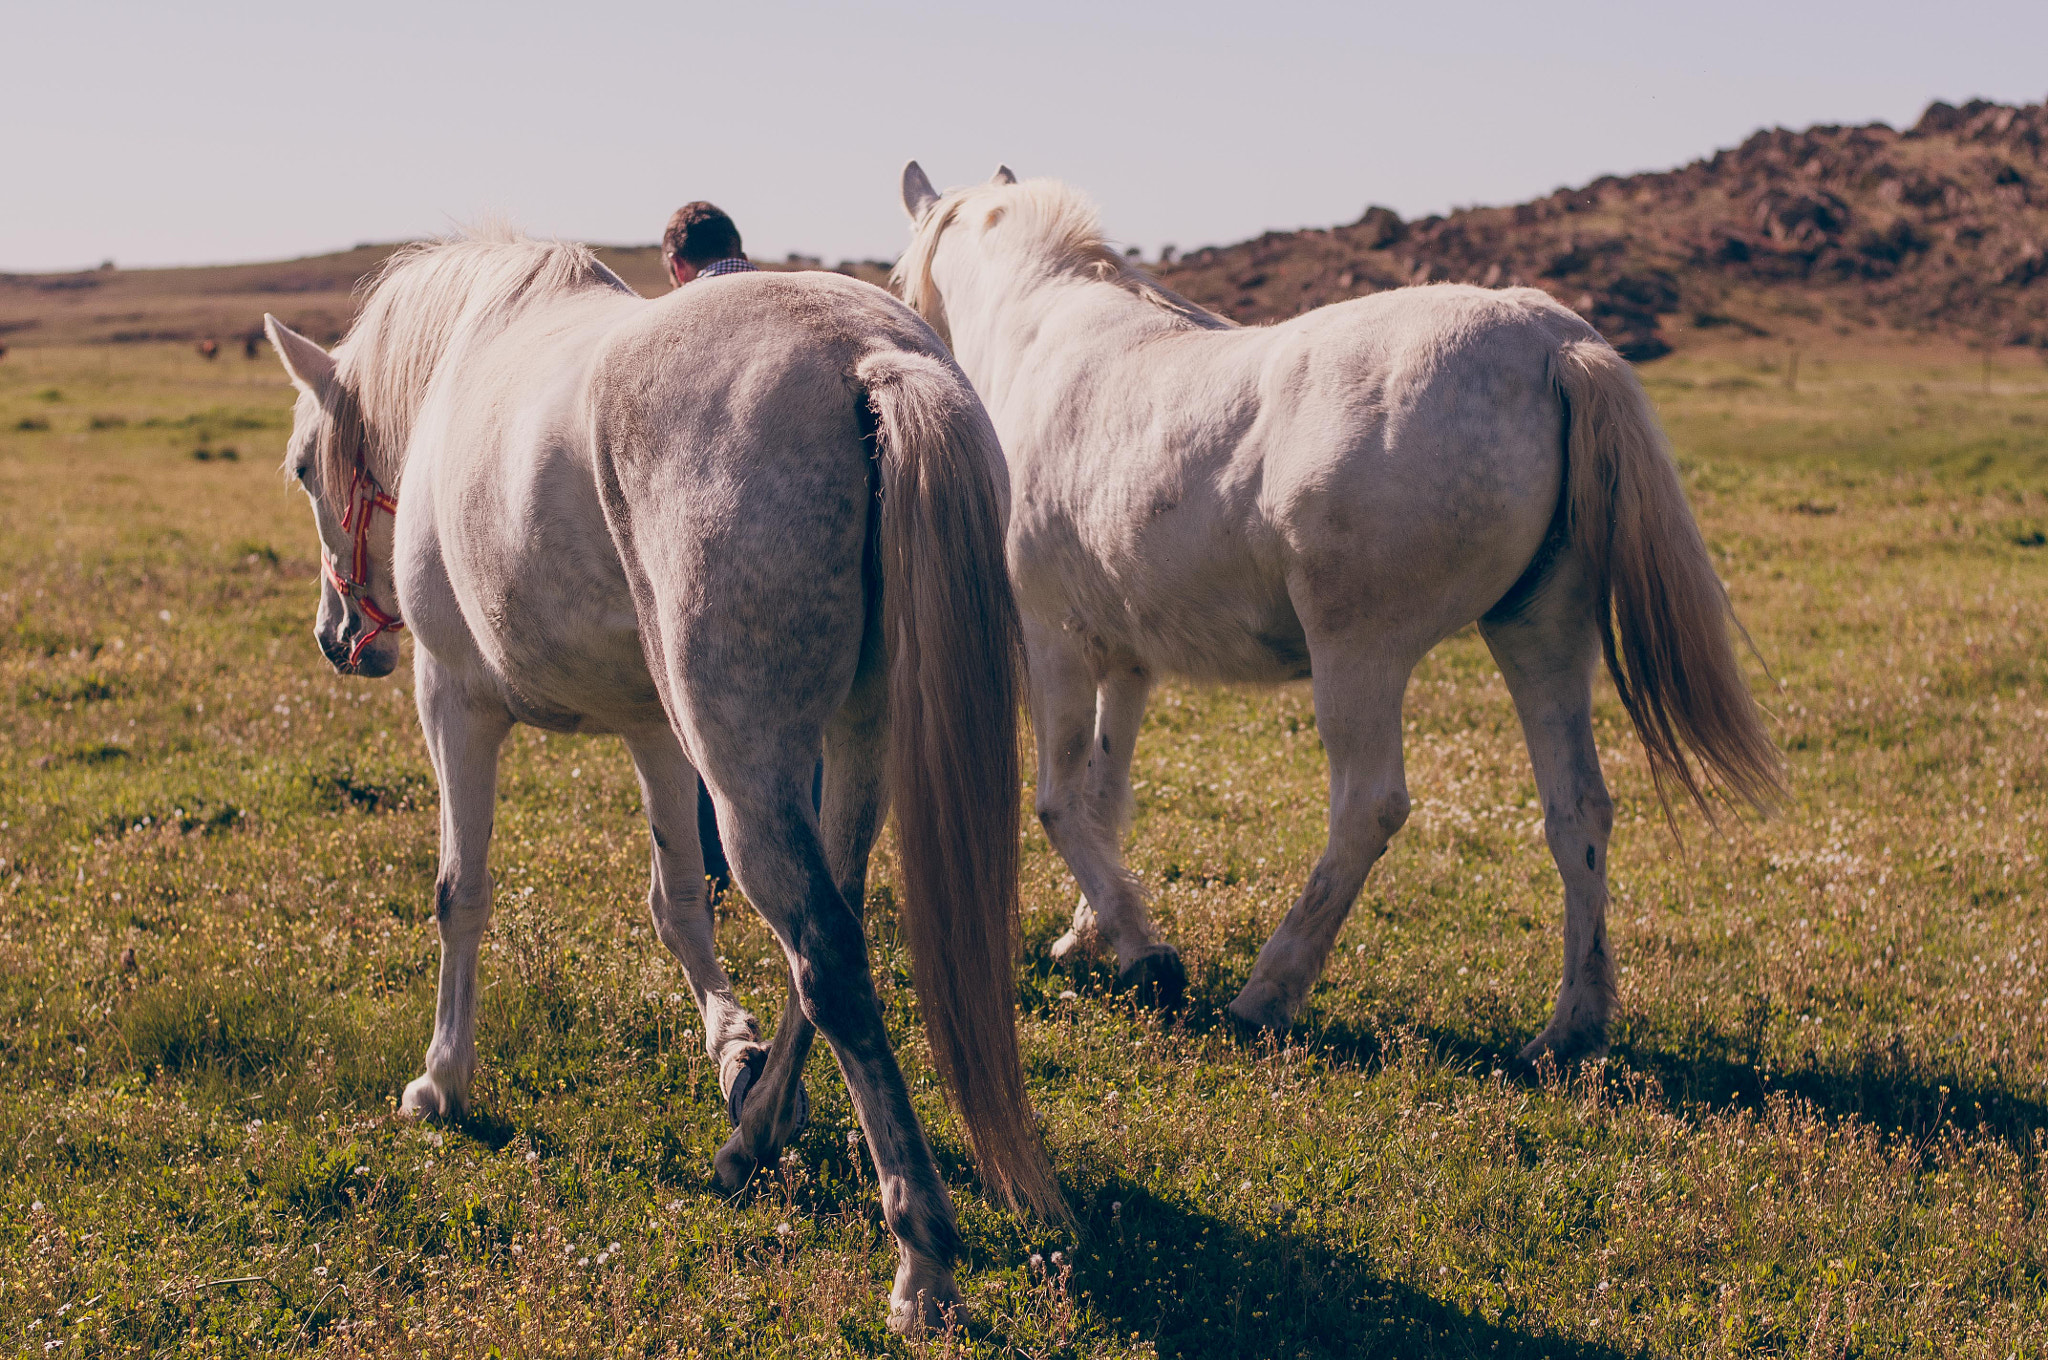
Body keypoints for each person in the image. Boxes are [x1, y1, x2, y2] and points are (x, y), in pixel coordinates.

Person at [663, 201, 820, 899]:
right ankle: (817, 849)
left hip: (722, 534)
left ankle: (716, 872)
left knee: (706, 713)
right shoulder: (793, 306)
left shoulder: (676, 326)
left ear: (676, 266)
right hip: (814, 529)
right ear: (738, 247)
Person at [663, 201, 756, 286]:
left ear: (679, 267)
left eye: (672, 285)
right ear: (744, 260)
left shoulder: (676, 302)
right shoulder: (769, 287)